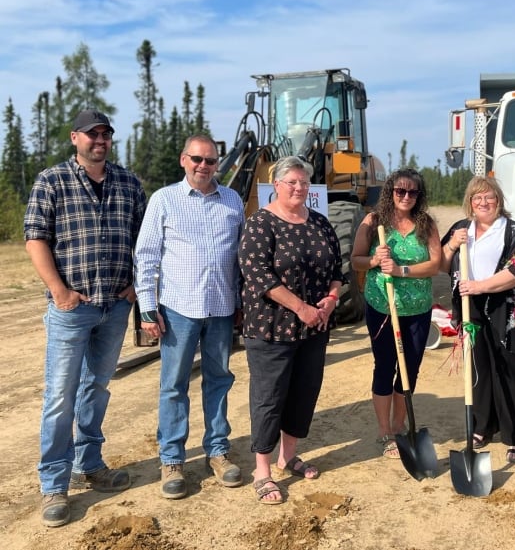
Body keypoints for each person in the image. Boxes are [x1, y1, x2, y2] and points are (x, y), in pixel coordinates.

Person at [24, 110, 147, 527]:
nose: (100, 140)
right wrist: (59, 291)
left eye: (106, 134)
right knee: (60, 395)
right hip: (72, 308)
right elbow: (35, 238)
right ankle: (54, 484)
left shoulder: (128, 183)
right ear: (75, 137)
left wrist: (135, 285)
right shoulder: (51, 181)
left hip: (115, 305)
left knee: (96, 387)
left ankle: (88, 463)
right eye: (92, 134)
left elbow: (144, 239)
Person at [134, 135, 244, 499]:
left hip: (221, 308)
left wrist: (245, 302)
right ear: (184, 160)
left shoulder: (232, 201)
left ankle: (217, 451)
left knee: (219, 380)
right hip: (178, 310)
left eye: (210, 160)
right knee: (173, 385)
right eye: (197, 159)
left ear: (217, 163)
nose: (203, 166)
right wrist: (148, 308)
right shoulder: (164, 200)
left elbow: (243, 257)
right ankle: (172, 459)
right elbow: (146, 256)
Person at [240, 156, 344, 504]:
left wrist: (330, 300)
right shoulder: (260, 224)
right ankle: (263, 470)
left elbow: (336, 270)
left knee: (303, 393)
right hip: (272, 328)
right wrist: (301, 308)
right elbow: (259, 275)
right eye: (292, 182)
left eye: (304, 182)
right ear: (277, 186)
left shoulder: (320, 223)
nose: (299, 188)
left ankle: (288, 456)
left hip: (314, 328)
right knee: (270, 398)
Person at [440, 176, 515, 463]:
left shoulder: (514, 231)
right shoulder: (460, 229)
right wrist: (451, 247)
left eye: (489, 197)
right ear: (469, 202)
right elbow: (443, 265)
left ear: (499, 200)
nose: (483, 202)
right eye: (476, 198)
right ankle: (483, 426)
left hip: (505, 310)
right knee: (478, 368)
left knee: (508, 369)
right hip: (471, 309)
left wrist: (479, 286)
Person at [351, 169, 442, 459]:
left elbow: (435, 264)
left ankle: (400, 424)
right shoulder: (373, 222)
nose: (406, 197)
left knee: (409, 369)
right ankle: (384, 432)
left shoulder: (426, 224)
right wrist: (375, 260)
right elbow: (356, 261)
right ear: (390, 192)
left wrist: (402, 270)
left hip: (417, 309)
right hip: (383, 307)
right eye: (400, 191)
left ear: (419, 195)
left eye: (412, 192)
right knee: (386, 365)